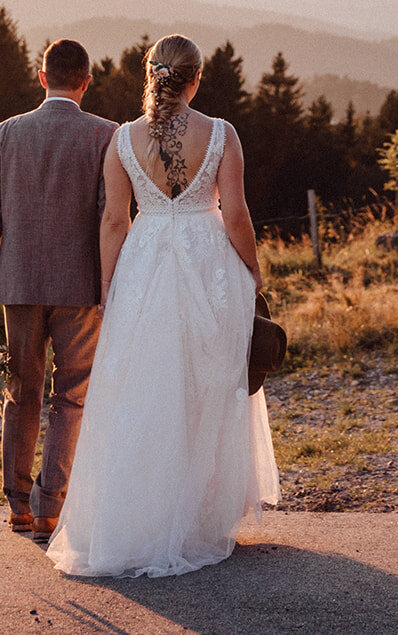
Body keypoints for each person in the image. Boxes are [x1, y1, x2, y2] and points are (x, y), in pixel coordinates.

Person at [47, 33, 281, 578]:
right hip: (207, 262)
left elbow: (113, 221)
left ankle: (139, 514)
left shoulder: (122, 139)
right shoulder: (221, 134)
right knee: (208, 384)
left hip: (145, 262)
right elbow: (238, 214)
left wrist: (111, 285)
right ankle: (199, 516)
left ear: (149, 75)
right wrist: (252, 267)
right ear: (195, 79)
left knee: (144, 387)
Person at [0, 38, 118, 542]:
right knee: (70, 396)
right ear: (86, 82)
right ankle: (51, 507)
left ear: (42, 76)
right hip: (80, 288)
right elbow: (109, 218)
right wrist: (115, 285)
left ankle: (18, 506)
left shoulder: (6, 133)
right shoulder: (105, 134)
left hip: (21, 284)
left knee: (21, 392)